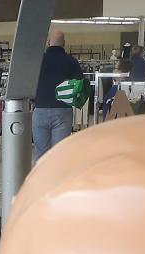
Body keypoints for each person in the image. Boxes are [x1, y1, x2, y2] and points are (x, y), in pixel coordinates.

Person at [32, 29, 84, 161]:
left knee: (41, 154)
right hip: (62, 110)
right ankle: (58, 181)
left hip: (40, 110)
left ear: (48, 42)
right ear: (64, 43)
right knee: (60, 154)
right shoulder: (71, 61)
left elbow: (28, 83)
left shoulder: (37, 60)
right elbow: (80, 86)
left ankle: (41, 180)